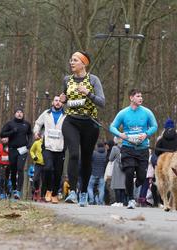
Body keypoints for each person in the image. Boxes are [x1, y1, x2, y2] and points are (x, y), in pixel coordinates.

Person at [60, 51, 105, 207]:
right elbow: (65, 97)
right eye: (71, 60)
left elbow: (102, 102)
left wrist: (88, 93)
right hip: (71, 121)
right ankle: (72, 191)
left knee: (86, 159)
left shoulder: (93, 80)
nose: (71, 62)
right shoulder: (67, 80)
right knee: (73, 154)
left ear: (83, 63)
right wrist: (63, 99)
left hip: (90, 123)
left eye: (75, 60)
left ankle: (84, 192)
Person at [110, 89, 158, 209]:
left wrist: (146, 134)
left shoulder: (147, 112)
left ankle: (137, 183)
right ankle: (131, 199)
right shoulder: (123, 113)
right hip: (128, 148)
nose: (140, 98)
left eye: (141, 96)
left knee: (142, 177)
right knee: (129, 172)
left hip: (143, 149)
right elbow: (112, 126)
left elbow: (154, 126)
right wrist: (120, 134)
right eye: (138, 96)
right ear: (131, 98)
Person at [34, 96, 66, 204]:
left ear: (62, 103)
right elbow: (38, 123)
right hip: (47, 146)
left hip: (60, 147)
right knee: (47, 168)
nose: (57, 103)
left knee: (58, 172)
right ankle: (48, 190)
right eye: (56, 100)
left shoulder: (66, 115)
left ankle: (54, 194)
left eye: (60, 101)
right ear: (53, 102)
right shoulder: (46, 113)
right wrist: (36, 132)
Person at [0, 107, 32, 199]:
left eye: (21, 112)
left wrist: (29, 144)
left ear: (23, 114)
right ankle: (14, 189)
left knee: (20, 168)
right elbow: (2, 134)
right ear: (15, 114)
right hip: (12, 149)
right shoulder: (10, 124)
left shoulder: (26, 124)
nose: (19, 114)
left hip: (23, 149)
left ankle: (18, 191)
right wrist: (12, 132)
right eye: (17, 112)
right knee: (13, 170)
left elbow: (30, 134)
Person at [110, 137, 126, 207]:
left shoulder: (114, 148)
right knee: (122, 185)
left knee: (117, 185)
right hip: (125, 166)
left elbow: (110, 158)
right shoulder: (126, 147)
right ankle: (122, 202)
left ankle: (117, 201)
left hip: (117, 167)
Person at [29, 138, 44, 202]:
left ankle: (42, 196)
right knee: (35, 179)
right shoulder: (37, 143)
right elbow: (31, 150)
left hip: (46, 164)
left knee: (44, 180)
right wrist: (34, 157)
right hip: (38, 163)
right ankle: (36, 191)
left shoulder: (49, 144)